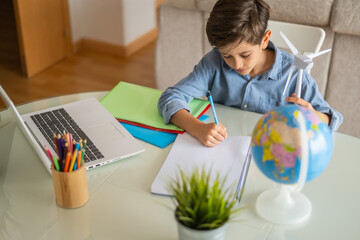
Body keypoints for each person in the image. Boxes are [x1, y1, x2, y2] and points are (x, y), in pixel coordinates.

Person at [158, 0, 343, 147]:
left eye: (245, 54)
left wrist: (313, 116)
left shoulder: (295, 75)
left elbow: (332, 118)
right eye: (227, 55)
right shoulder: (214, 62)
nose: (237, 64)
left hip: (272, 154)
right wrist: (197, 128)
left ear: (265, 39)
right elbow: (171, 97)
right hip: (222, 148)